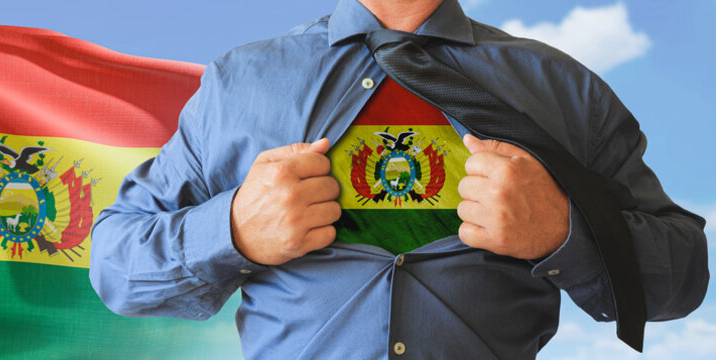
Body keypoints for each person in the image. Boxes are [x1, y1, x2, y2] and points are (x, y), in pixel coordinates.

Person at [88, 0, 709, 358]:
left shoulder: (563, 89)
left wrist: (564, 231)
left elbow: (682, 278)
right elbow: (115, 268)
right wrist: (232, 232)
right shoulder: (238, 85)